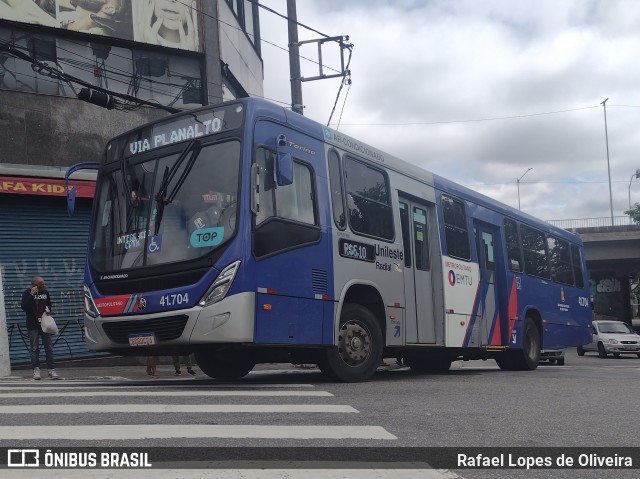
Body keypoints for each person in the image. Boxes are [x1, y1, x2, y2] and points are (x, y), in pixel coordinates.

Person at [21, 275, 58, 380]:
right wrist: (32, 295)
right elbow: (24, 307)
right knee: (34, 348)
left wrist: (49, 311)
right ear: (35, 285)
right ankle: (36, 370)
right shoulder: (27, 293)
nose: (43, 285)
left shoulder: (45, 293)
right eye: (41, 283)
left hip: (45, 325)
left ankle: (51, 370)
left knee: (49, 348)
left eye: (43, 283)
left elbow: (49, 305)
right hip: (33, 325)